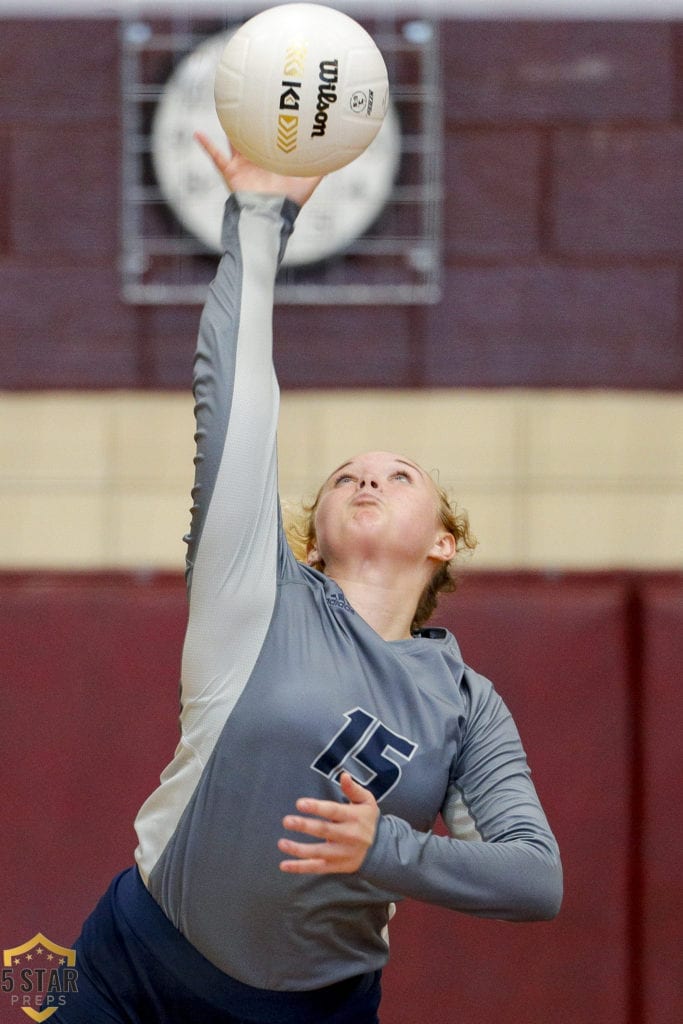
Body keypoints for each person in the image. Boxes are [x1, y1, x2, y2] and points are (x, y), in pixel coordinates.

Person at [52, 136, 562, 1024]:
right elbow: (236, 402)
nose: (366, 478)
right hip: (126, 971)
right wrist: (257, 214)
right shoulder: (259, 594)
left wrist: (388, 849)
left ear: (444, 541)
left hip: (313, 1012)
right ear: (311, 535)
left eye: (399, 474)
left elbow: (535, 878)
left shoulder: (464, 703)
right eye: (344, 475)